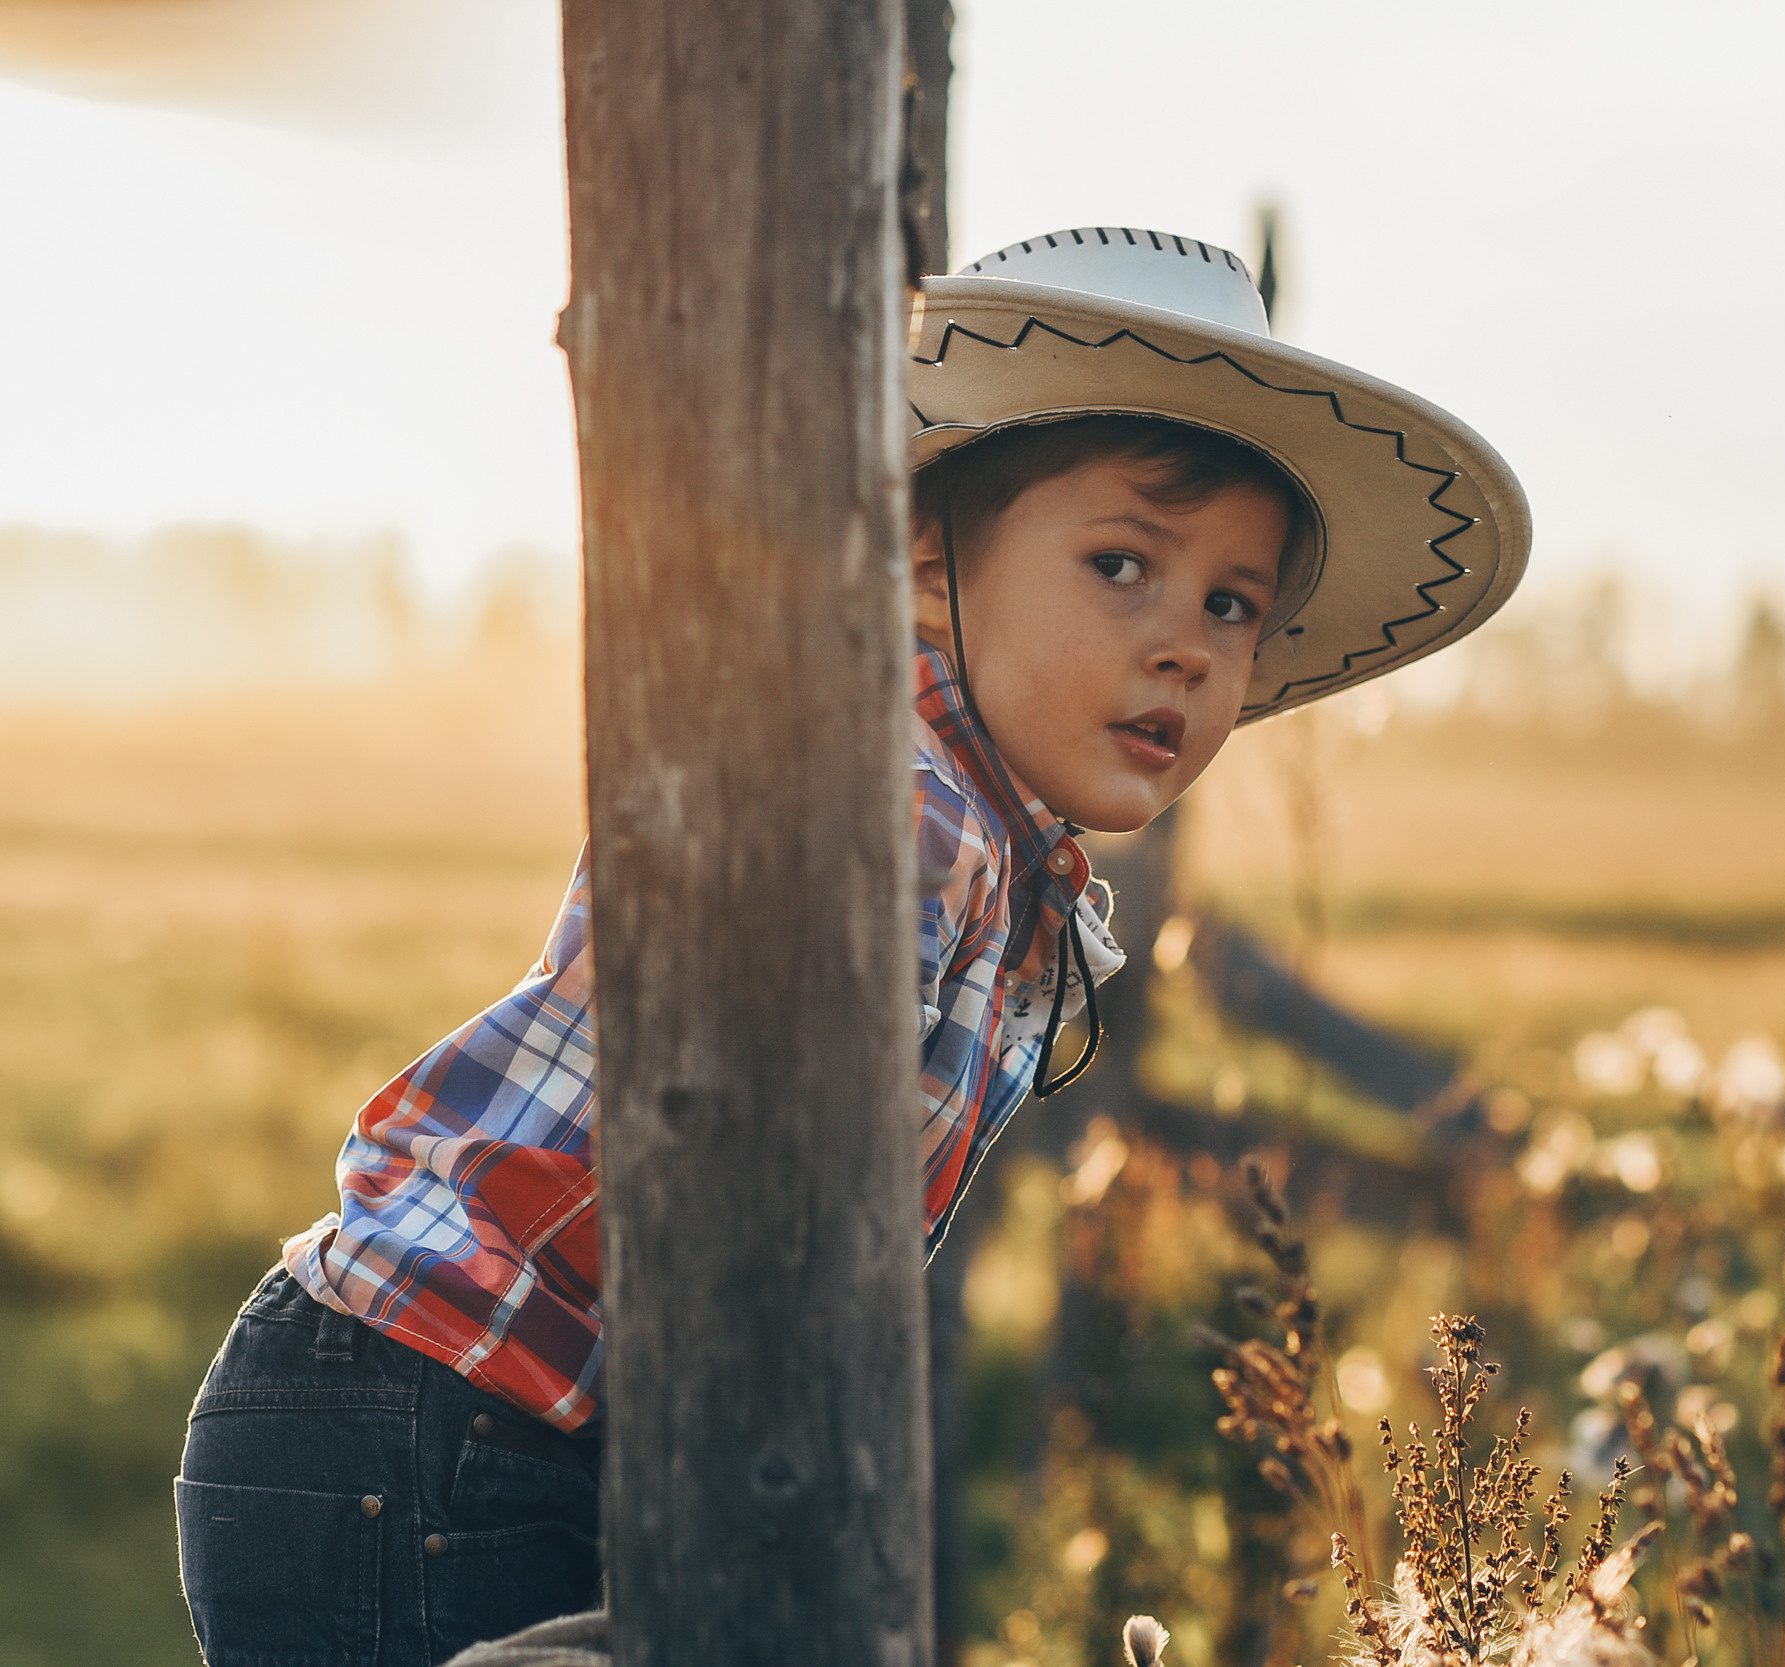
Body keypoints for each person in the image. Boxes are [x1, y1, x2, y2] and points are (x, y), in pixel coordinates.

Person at [172, 226, 1531, 1667]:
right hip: (431, 1404)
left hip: (456, 1410)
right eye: (1121, 563)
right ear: (927, 571)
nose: (1187, 646)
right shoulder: (891, 809)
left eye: (1231, 604)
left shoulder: (1002, 863)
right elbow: (765, 1220)